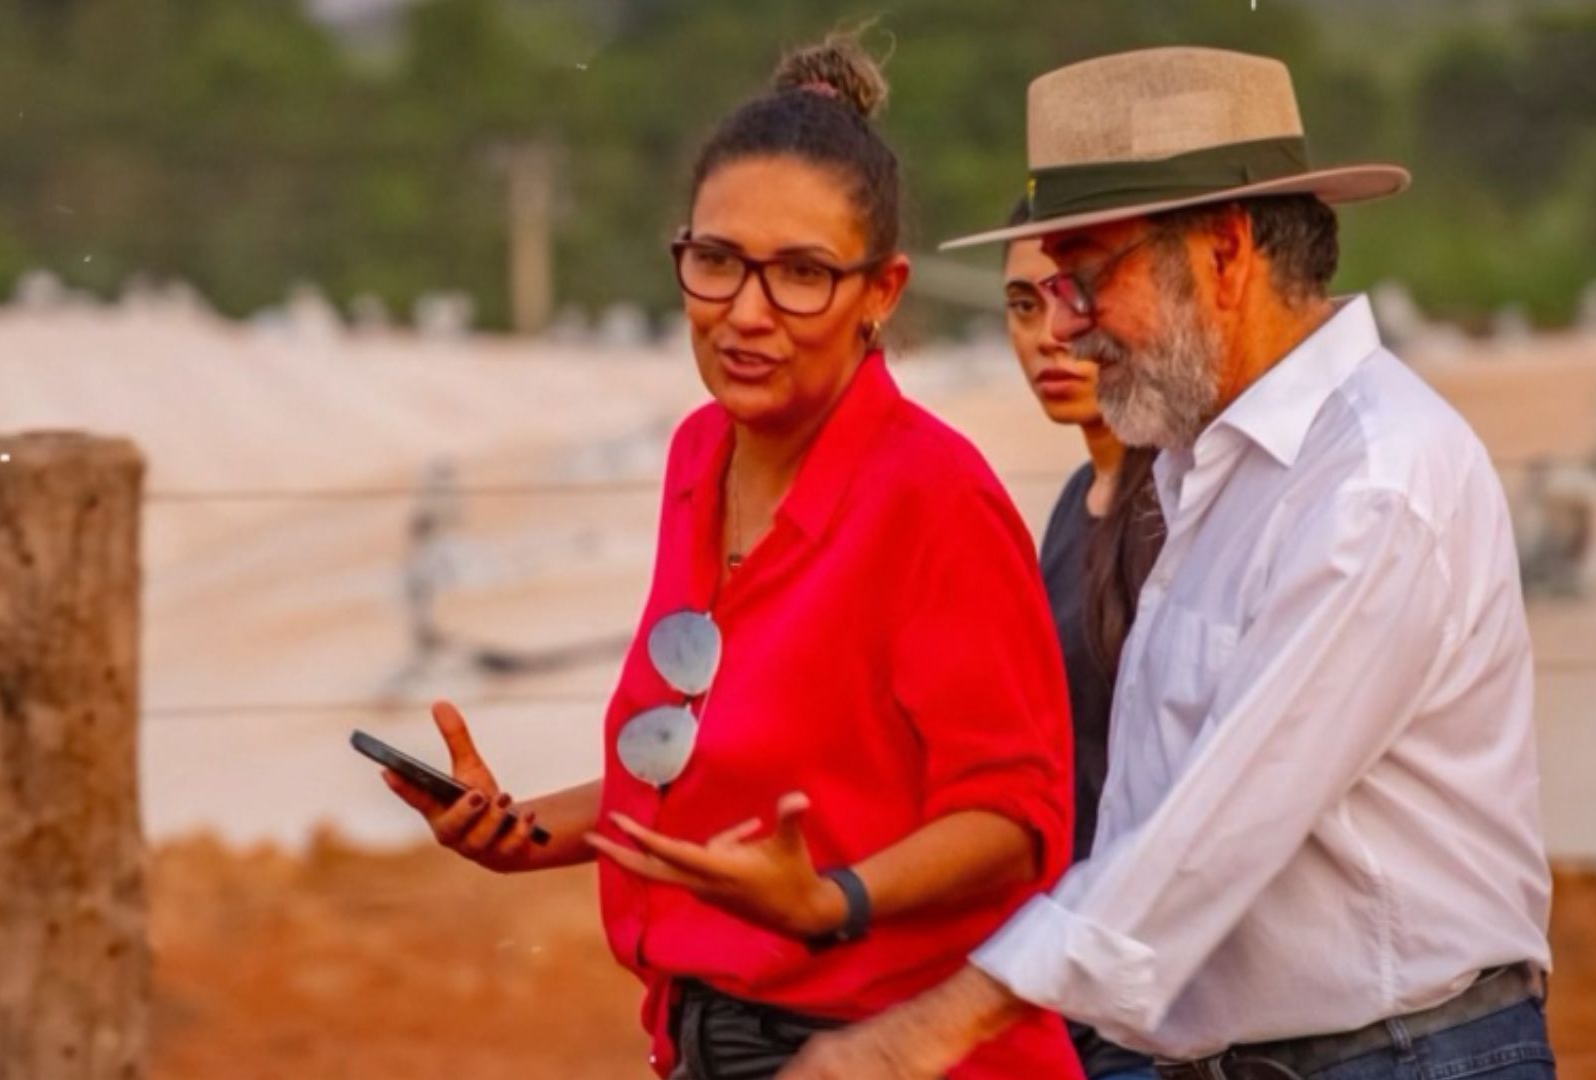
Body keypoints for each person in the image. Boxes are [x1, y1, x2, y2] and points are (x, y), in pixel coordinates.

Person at [783, 46, 1555, 1080]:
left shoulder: (1372, 485)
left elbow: (1210, 833)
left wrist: (929, 1028)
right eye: (1050, 284)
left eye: (1088, 275)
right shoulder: (1204, 464)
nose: (1064, 324)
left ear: (1225, 253)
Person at [378, 33, 1082, 1080]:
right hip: (702, 1041)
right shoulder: (701, 456)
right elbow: (700, 772)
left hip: (888, 1054)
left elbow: (1019, 818)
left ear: (881, 292)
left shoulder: (933, 495)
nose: (747, 313)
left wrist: (837, 898)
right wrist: (520, 828)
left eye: (801, 274)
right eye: (716, 262)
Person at [1002, 200, 1162, 1080]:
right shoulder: (1073, 501)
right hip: (1073, 993)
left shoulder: (1177, 505)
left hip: (1155, 1004)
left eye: (1068, 294)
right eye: (1022, 305)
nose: (1046, 335)